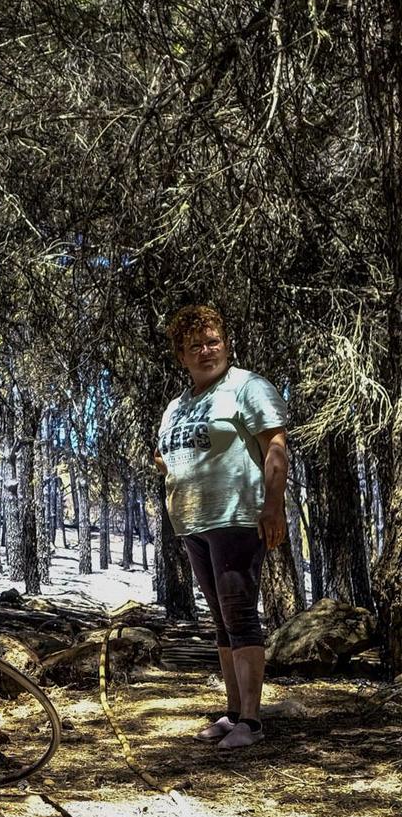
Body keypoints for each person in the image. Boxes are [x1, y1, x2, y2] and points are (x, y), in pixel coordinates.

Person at [154, 304, 291, 749]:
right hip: (193, 520)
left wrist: (274, 505)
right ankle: (233, 712)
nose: (207, 350)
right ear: (181, 355)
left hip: (236, 516)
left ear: (226, 343)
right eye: (195, 345)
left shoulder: (246, 387)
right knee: (219, 620)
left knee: (239, 614)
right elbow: (176, 454)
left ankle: (252, 720)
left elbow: (274, 445)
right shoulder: (178, 405)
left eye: (213, 341)